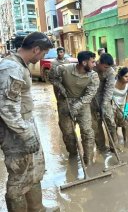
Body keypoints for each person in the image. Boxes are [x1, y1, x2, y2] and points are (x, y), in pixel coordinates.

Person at [0, 32, 57, 211]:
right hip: (14, 132)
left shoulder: (20, 65)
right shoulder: (11, 68)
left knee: (34, 170)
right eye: (44, 53)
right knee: (19, 175)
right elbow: (6, 107)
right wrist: (25, 134)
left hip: (25, 123)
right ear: (36, 49)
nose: (43, 57)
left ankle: (37, 208)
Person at [50, 51, 99, 165]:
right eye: (92, 62)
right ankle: (73, 155)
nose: (94, 64)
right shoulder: (63, 69)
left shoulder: (93, 75)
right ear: (84, 62)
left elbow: (90, 94)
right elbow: (51, 77)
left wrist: (77, 105)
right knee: (68, 133)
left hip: (83, 103)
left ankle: (88, 160)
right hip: (65, 102)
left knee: (87, 132)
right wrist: (60, 86)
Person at [91, 53, 117, 152]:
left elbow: (109, 88)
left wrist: (104, 104)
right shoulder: (91, 68)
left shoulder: (110, 71)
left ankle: (113, 146)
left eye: (108, 67)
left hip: (104, 96)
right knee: (96, 125)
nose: (106, 69)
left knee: (111, 122)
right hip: (91, 98)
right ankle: (101, 147)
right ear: (99, 62)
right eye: (105, 67)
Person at [112, 67, 128, 147]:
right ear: (120, 76)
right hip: (111, 104)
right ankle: (114, 142)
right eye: (126, 76)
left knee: (125, 121)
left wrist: (126, 111)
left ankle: (126, 141)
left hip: (122, 104)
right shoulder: (112, 82)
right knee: (112, 123)